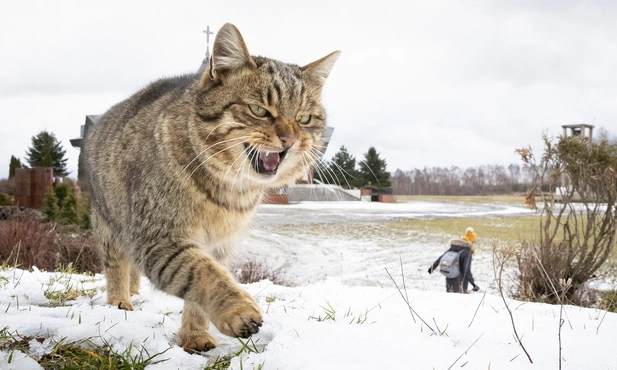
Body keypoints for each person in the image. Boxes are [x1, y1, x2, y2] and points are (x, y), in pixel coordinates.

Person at [427, 227, 480, 293]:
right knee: (459, 299)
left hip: (449, 274)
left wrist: (431, 269)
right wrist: (473, 284)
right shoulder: (467, 251)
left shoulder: (454, 247)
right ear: (471, 242)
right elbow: (466, 269)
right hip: (460, 280)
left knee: (450, 297)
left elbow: (440, 258)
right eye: (474, 242)